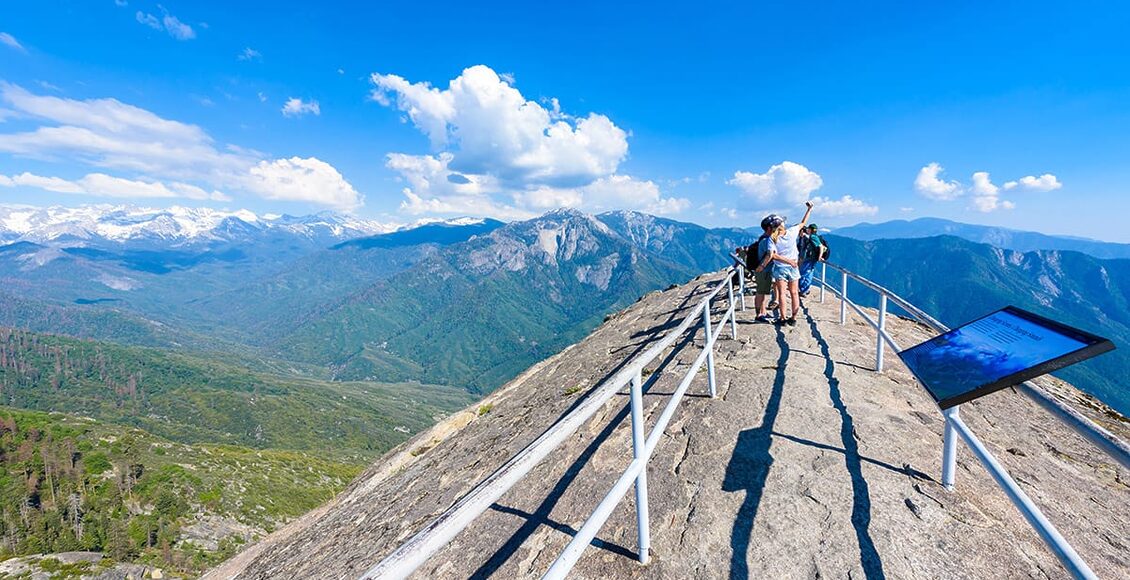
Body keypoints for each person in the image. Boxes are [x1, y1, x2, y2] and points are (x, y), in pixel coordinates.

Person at [771, 201, 815, 326]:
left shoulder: (773, 238)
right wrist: (809, 209)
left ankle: (783, 318)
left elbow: (773, 254)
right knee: (794, 293)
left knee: (782, 294)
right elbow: (803, 223)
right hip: (793, 267)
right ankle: (794, 318)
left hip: (780, 267)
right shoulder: (792, 232)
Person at [750, 216, 779, 323]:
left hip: (764, 270)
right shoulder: (768, 240)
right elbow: (770, 254)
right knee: (761, 293)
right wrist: (761, 266)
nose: (777, 228)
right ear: (769, 228)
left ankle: (763, 312)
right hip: (764, 271)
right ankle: (759, 315)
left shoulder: (764, 238)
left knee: (763, 292)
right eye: (775, 226)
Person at [798, 223, 824, 297]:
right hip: (812, 259)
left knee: (803, 273)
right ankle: (805, 289)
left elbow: (820, 246)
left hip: (809, 259)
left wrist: (819, 256)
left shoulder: (812, 237)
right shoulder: (813, 236)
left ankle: (803, 290)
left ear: (810, 230)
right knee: (809, 274)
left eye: (808, 229)